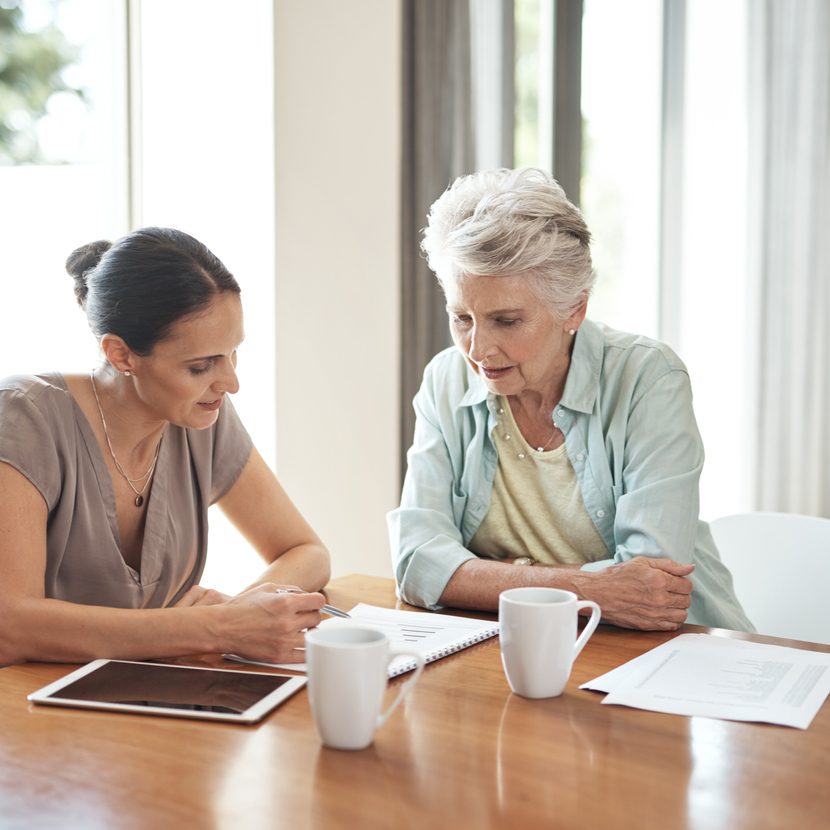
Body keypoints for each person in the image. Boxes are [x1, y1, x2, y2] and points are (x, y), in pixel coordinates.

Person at [388, 168, 752, 632]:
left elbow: (650, 587)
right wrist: (590, 589)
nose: (478, 350)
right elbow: (417, 563)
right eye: (462, 318)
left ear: (574, 309)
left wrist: (482, 578)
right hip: (520, 645)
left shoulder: (648, 379)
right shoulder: (446, 379)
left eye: (506, 320)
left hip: (670, 653)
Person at [0, 227, 331, 665]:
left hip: (149, 696)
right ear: (121, 355)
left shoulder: (202, 417)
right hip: (29, 710)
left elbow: (306, 552)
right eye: (200, 366)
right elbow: (9, 626)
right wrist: (217, 629)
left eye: (233, 353)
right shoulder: (25, 418)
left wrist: (242, 614)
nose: (231, 383)